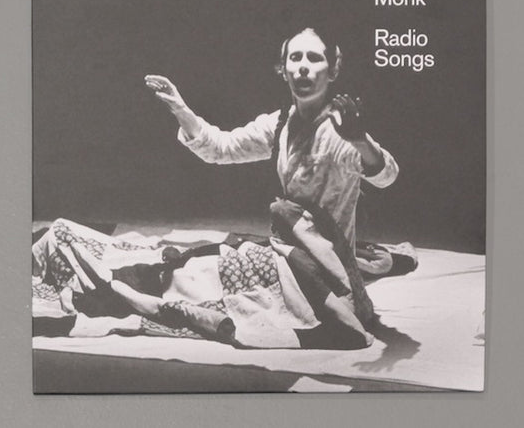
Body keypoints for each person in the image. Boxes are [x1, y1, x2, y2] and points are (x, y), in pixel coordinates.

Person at [142, 27, 400, 345]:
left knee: (201, 281)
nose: (303, 66)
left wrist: (360, 142)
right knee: (189, 271)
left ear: (333, 70)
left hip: (324, 269)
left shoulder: (340, 131)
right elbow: (220, 148)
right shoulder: (280, 124)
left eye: (314, 58)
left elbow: (386, 175)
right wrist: (181, 109)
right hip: (286, 253)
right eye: (295, 58)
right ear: (283, 69)